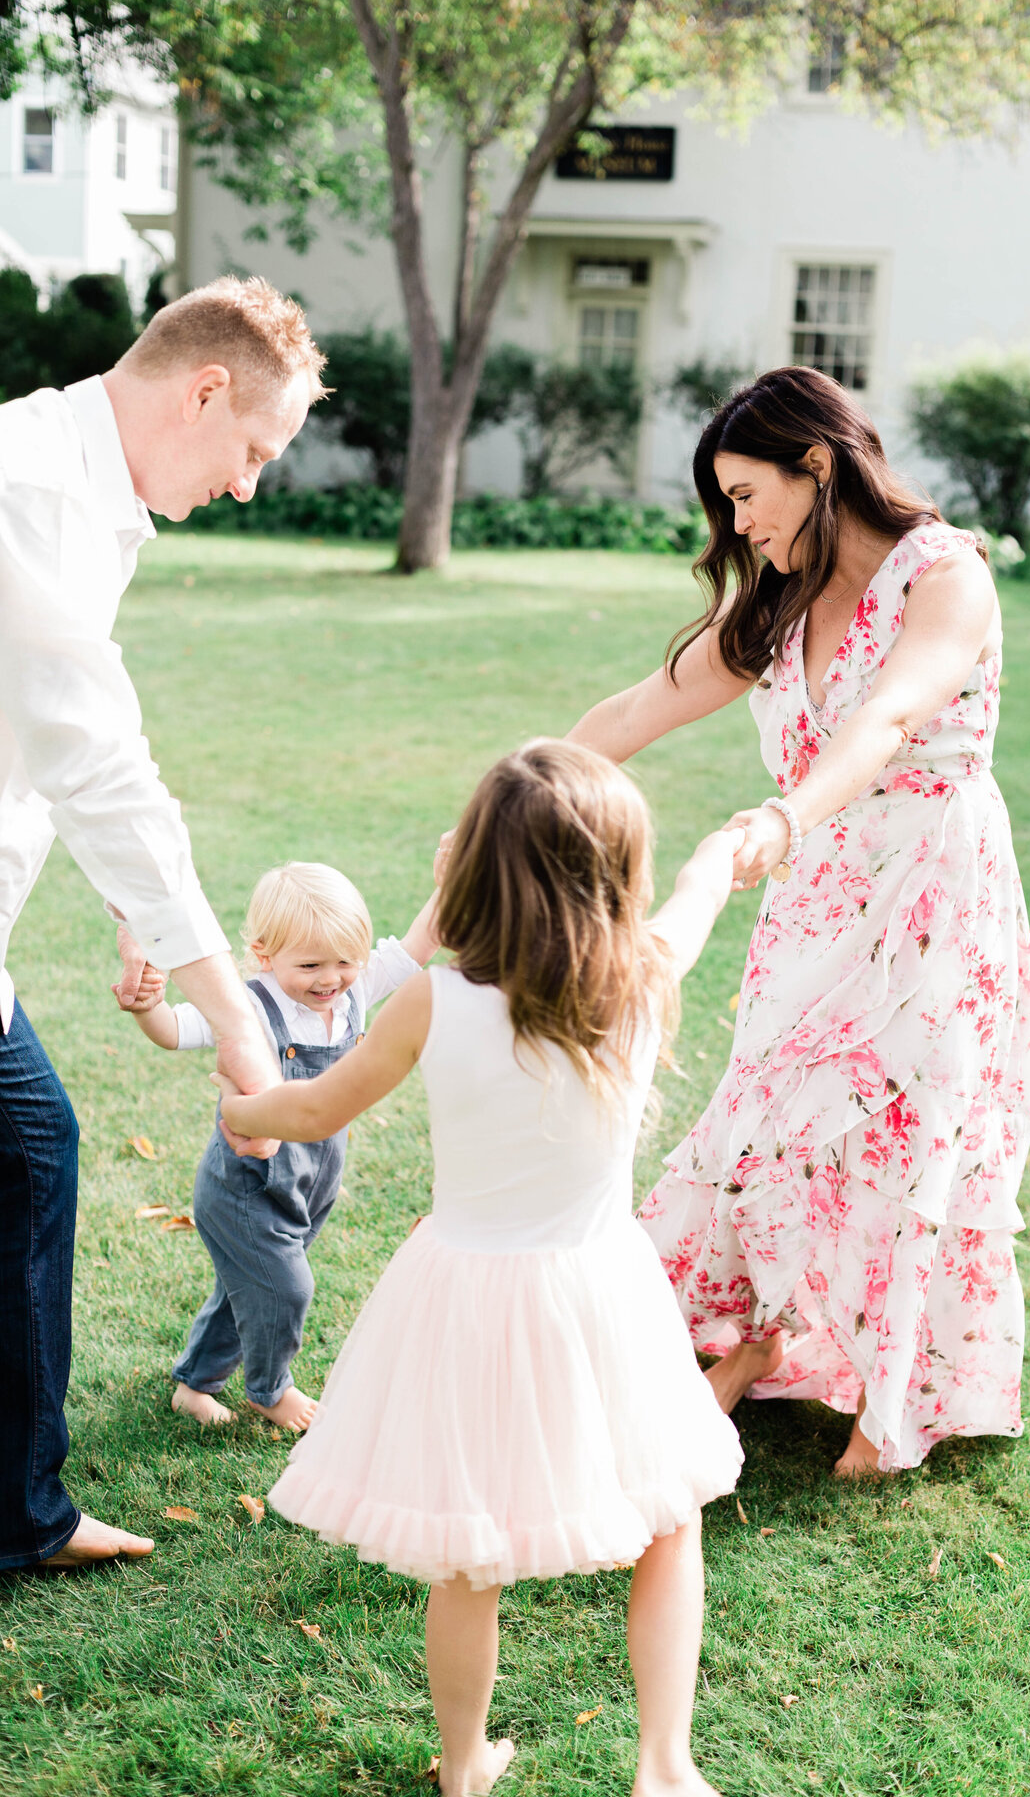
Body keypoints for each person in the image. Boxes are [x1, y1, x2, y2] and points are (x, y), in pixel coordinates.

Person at [215, 741, 744, 1797]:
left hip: (461, 1291)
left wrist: (244, 1112)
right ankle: (664, 1763)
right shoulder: (640, 984)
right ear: (617, 876)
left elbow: (317, 1107)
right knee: (668, 1519)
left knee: (467, 1553)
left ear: (474, 873)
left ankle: (464, 1768)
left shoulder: (434, 1001)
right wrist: (727, 851)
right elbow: (697, 898)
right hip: (598, 1289)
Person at [568, 367, 1030, 1478]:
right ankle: (751, 1338)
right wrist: (512, 796)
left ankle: (892, 1406)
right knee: (763, 1119)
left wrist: (784, 815)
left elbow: (891, 712)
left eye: (746, 494)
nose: (738, 524)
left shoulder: (948, 575)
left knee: (908, 1126)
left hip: (932, 883)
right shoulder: (779, 597)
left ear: (817, 465)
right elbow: (642, 705)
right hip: (816, 891)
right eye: (727, 505)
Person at [0, 275, 327, 1570]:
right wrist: (244, 1038)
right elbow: (100, 763)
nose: (251, 484)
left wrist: (138, 909)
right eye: (254, 449)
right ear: (203, 391)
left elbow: (61, 741)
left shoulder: (90, 499)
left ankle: (23, 1514)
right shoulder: (28, 488)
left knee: (29, 1154)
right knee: (28, 1152)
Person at [121, 862, 438, 1432]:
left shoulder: (353, 992)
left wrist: (450, 880)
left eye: (346, 961)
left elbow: (420, 944)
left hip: (310, 1187)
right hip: (246, 1189)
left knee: (246, 1290)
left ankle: (194, 1384)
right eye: (311, 965)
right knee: (286, 1289)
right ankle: (270, 1389)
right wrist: (148, 1006)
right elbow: (175, 1030)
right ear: (264, 954)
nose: (331, 979)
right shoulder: (245, 1007)